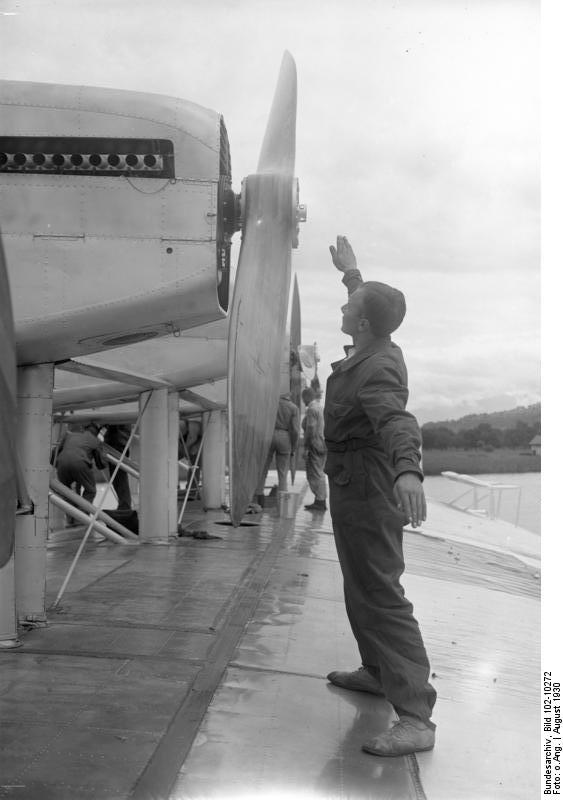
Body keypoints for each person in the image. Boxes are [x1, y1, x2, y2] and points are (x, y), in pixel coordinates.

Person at [324, 235, 436, 757]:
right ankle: (376, 671)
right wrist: (352, 271)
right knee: (360, 585)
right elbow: (366, 301)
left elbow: (395, 418)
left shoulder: (379, 367)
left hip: (370, 484)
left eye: (350, 306)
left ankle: (415, 717)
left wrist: (408, 471)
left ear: (364, 323)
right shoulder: (372, 344)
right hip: (351, 482)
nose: (344, 307)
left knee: (382, 595)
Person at [255, 393, 300, 506]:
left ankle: (259, 500)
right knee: (283, 472)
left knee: (263, 469)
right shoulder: (293, 407)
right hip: (285, 437)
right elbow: (295, 430)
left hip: (268, 435)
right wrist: (293, 446)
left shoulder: (270, 404)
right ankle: (282, 505)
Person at [56, 422, 107, 507]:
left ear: (84, 429)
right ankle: (81, 517)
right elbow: (101, 465)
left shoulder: (70, 436)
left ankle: (71, 518)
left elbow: (54, 454)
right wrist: (101, 445)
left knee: (66, 492)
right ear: (96, 433)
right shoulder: (95, 440)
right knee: (90, 491)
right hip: (80, 464)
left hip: (61, 464)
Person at [301, 387, 328, 511]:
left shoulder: (312, 409)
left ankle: (320, 501)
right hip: (322, 443)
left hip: (315, 443)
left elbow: (311, 428)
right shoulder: (320, 407)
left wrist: (306, 447)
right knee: (319, 472)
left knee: (315, 473)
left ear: (307, 397)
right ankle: (319, 500)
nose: (303, 401)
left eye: (303, 398)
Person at [103, 424, 132, 511]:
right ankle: (124, 505)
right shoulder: (121, 429)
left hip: (117, 448)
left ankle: (125, 506)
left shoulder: (117, 429)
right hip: (117, 448)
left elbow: (114, 428)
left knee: (120, 479)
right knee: (117, 479)